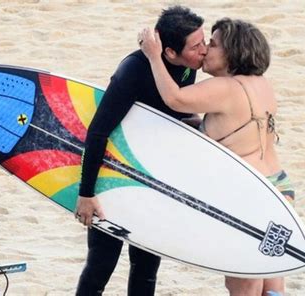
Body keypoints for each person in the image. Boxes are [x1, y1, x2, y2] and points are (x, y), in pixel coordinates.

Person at [139, 18, 295, 296]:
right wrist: (202, 127)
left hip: (250, 195)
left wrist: (153, 55)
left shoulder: (226, 87)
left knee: (243, 283)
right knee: (271, 279)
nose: (206, 49)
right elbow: (238, 129)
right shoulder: (262, 84)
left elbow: (174, 98)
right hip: (280, 189)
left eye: (214, 43)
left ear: (233, 52)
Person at [74, 6, 207, 296]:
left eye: (204, 41)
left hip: (151, 180)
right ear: (169, 52)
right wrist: (86, 194)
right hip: (113, 178)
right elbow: (97, 132)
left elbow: (163, 113)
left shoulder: (187, 68)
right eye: (196, 46)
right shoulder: (133, 71)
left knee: (146, 271)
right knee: (100, 267)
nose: (204, 51)